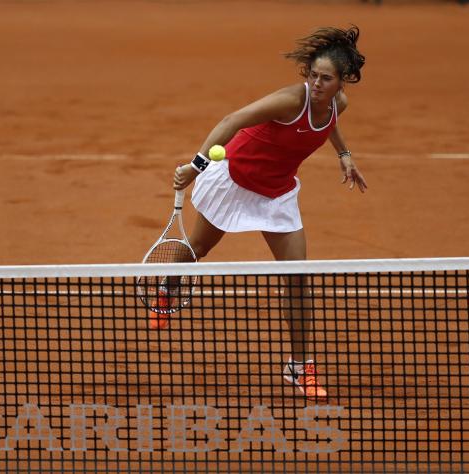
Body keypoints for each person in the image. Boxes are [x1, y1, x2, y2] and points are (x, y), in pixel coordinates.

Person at [154, 26, 368, 401]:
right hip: (235, 180)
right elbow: (231, 120)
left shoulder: (338, 105)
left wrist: (344, 154)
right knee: (198, 249)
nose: (317, 84)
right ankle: (166, 291)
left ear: (341, 83)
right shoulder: (289, 100)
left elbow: (329, 123)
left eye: (326, 79)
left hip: (277, 193)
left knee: (298, 279)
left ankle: (299, 367)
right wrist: (195, 166)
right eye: (313, 75)